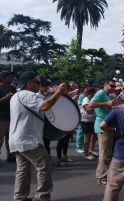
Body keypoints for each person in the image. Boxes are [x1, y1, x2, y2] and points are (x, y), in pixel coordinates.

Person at [9, 71, 67, 201]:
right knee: (45, 166)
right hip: (28, 140)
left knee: (22, 170)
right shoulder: (28, 95)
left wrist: (55, 93)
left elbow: (44, 102)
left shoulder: (16, 96)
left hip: (17, 140)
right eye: (38, 82)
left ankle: (20, 197)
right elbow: (45, 106)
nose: (40, 85)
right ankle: (42, 197)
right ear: (29, 83)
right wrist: (59, 92)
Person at [89, 78, 116, 186]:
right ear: (105, 85)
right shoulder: (100, 93)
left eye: (114, 86)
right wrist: (107, 103)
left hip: (106, 125)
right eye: (111, 86)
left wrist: (113, 106)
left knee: (108, 153)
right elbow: (91, 105)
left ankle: (105, 175)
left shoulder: (107, 94)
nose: (113, 88)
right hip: (102, 126)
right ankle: (101, 177)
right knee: (104, 154)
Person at [0, 71, 17, 162]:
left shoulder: (12, 88)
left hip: (12, 116)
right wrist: (5, 98)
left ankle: (11, 155)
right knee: (0, 138)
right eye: (8, 77)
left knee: (10, 138)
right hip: (1, 117)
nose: (10, 78)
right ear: (3, 78)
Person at [81, 87, 98, 160]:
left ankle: (92, 149)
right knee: (87, 137)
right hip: (86, 121)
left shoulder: (92, 99)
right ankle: (86, 154)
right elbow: (88, 110)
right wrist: (96, 105)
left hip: (93, 120)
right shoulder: (86, 100)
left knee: (94, 135)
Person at [76, 83, 90, 154]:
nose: (87, 90)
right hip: (82, 115)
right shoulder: (81, 96)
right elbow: (80, 105)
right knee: (81, 130)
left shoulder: (88, 96)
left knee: (86, 132)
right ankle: (78, 147)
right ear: (83, 89)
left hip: (88, 116)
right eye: (86, 88)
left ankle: (85, 146)